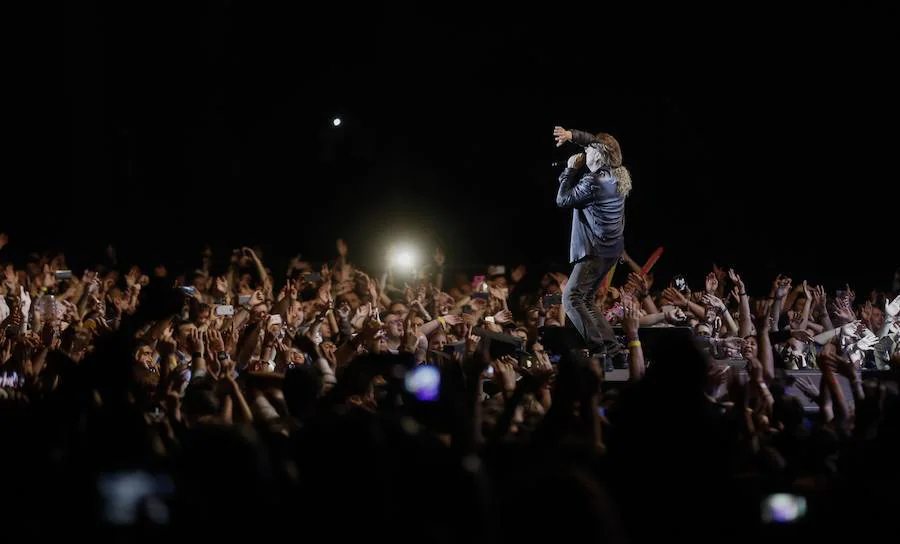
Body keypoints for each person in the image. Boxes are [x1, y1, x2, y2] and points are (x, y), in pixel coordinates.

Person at [552, 125, 633, 366]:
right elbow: (594, 141)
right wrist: (572, 136)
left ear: (600, 154)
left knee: (571, 299)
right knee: (585, 299)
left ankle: (600, 351)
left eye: (589, 150)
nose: (586, 152)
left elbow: (562, 199)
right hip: (611, 250)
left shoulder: (595, 181)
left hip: (596, 251)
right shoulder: (615, 177)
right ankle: (614, 351)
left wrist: (569, 170)